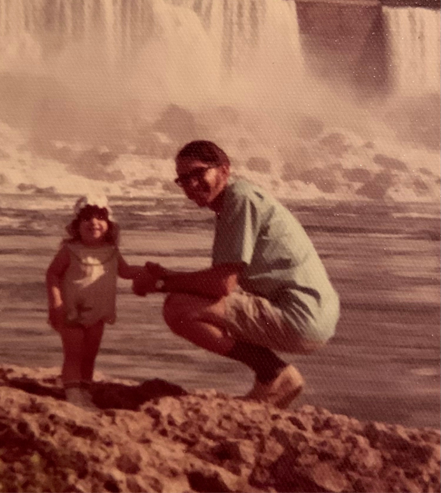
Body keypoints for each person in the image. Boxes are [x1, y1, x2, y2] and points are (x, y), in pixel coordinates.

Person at [133, 140, 340, 408]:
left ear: (224, 170)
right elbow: (221, 279)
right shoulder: (236, 200)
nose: (192, 184)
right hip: (311, 314)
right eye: (184, 179)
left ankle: (275, 375)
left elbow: (221, 285)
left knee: (178, 308)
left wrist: (161, 283)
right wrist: (168, 276)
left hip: (300, 316)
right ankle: (271, 378)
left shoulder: (239, 199)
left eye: (198, 173)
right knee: (189, 299)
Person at [46, 193, 145, 409]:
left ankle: (84, 391)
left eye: (100, 218)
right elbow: (52, 274)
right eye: (87, 218)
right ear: (77, 225)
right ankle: (73, 394)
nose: (94, 223)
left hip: (98, 314)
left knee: (89, 356)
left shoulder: (111, 251)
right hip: (72, 312)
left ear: (109, 224)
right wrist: (55, 303)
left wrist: (147, 272)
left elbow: (126, 271)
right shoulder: (69, 250)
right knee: (74, 355)